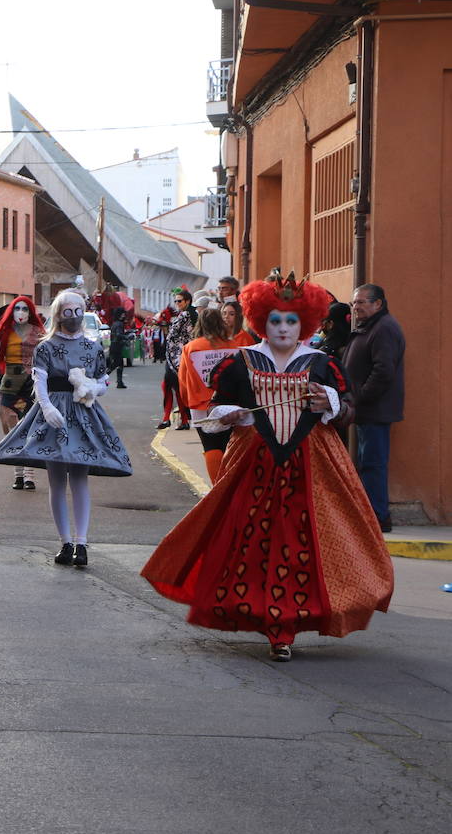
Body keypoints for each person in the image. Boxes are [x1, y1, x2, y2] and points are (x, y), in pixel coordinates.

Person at [141, 272, 394, 662]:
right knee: (252, 542)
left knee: (302, 544)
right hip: (253, 468)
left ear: (304, 323)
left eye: (291, 320)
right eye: (275, 319)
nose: (282, 328)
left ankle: (286, 626)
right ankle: (264, 616)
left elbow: (346, 410)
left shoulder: (320, 363)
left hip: (312, 467)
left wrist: (332, 405)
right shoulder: (241, 362)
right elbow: (215, 407)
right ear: (261, 321)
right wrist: (232, 413)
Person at [0, 289, 133, 567]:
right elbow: (40, 380)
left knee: (80, 479)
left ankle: (81, 543)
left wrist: (93, 387)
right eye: (67, 311)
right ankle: (65, 542)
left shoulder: (93, 347)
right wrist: (46, 407)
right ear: (59, 314)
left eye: (77, 311)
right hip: (54, 414)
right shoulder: (45, 347)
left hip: (83, 414)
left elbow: (104, 380)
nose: (73, 316)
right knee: (57, 481)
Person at [345, 284, 405, 533]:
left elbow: (383, 371)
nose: (356, 307)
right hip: (368, 410)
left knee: (373, 464)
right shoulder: (372, 326)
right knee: (367, 462)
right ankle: (372, 515)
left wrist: (359, 397)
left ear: (378, 303)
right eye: (354, 303)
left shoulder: (384, 328)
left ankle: (378, 517)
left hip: (375, 410)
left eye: (361, 302)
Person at [0, 296, 44, 490]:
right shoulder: (4, 333)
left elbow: (46, 359)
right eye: (17, 309)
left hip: (31, 385)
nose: (21, 313)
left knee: (30, 428)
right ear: (11, 312)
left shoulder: (39, 333)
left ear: (30, 312)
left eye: (25, 309)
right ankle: (18, 473)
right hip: (10, 385)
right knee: (12, 427)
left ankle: (30, 474)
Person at [177, 307, 243, 483]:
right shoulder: (233, 346)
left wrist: (186, 402)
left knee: (210, 444)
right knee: (228, 443)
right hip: (229, 403)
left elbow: (183, 380)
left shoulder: (190, 348)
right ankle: (230, 483)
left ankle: (217, 486)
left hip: (200, 406)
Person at [158, 288, 195, 430]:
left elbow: (171, 335)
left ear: (187, 301)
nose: (177, 303)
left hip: (177, 357)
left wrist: (166, 325)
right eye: (176, 301)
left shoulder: (184, 315)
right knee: (173, 386)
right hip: (184, 355)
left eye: (179, 301)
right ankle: (176, 419)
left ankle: (172, 418)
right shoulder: (193, 314)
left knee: (171, 386)